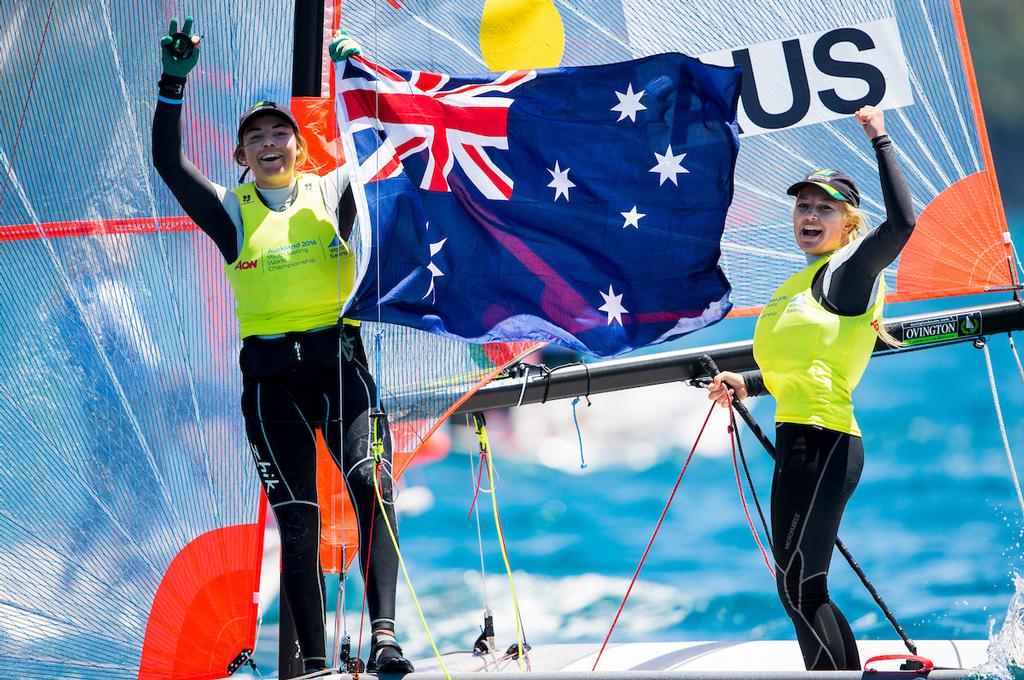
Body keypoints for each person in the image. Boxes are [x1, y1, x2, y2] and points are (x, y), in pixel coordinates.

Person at [152, 17, 414, 675]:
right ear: (241, 157)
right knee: (297, 520)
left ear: (300, 149)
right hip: (271, 384)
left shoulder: (331, 195)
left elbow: (386, 143)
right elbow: (167, 163)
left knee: (372, 485)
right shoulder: (232, 212)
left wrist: (361, 78)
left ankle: (384, 638)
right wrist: (172, 86)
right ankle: (318, 664)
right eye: (254, 138)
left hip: (340, 365)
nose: (268, 143)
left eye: (279, 134)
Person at [706, 105, 914, 671]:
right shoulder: (797, 285)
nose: (810, 215)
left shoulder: (846, 274)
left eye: (825, 207)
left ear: (850, 224)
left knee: (800, 587)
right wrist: (747, 382)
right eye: (803, 205)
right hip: (798, 441)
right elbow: (801, 366)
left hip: (826, 442)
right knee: (801, 587)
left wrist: (881, 139)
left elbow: (901, 227)